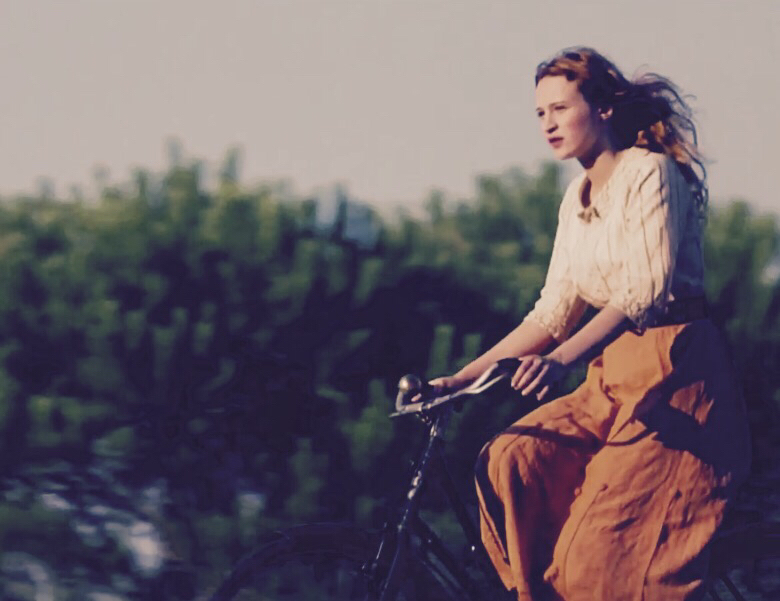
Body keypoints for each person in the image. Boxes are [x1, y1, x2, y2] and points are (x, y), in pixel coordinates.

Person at [430, 47, 752, 600]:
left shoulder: (648, 172)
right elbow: (553, 312)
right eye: (540, 113)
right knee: (512, 462)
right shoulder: (575, 198)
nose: (548, 124)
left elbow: (644, 293)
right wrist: (459, 380)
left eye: (560, 108)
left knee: (597, 556)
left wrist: (560, 361)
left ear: (602, 108)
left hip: (676, 380)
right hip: (610, 379)